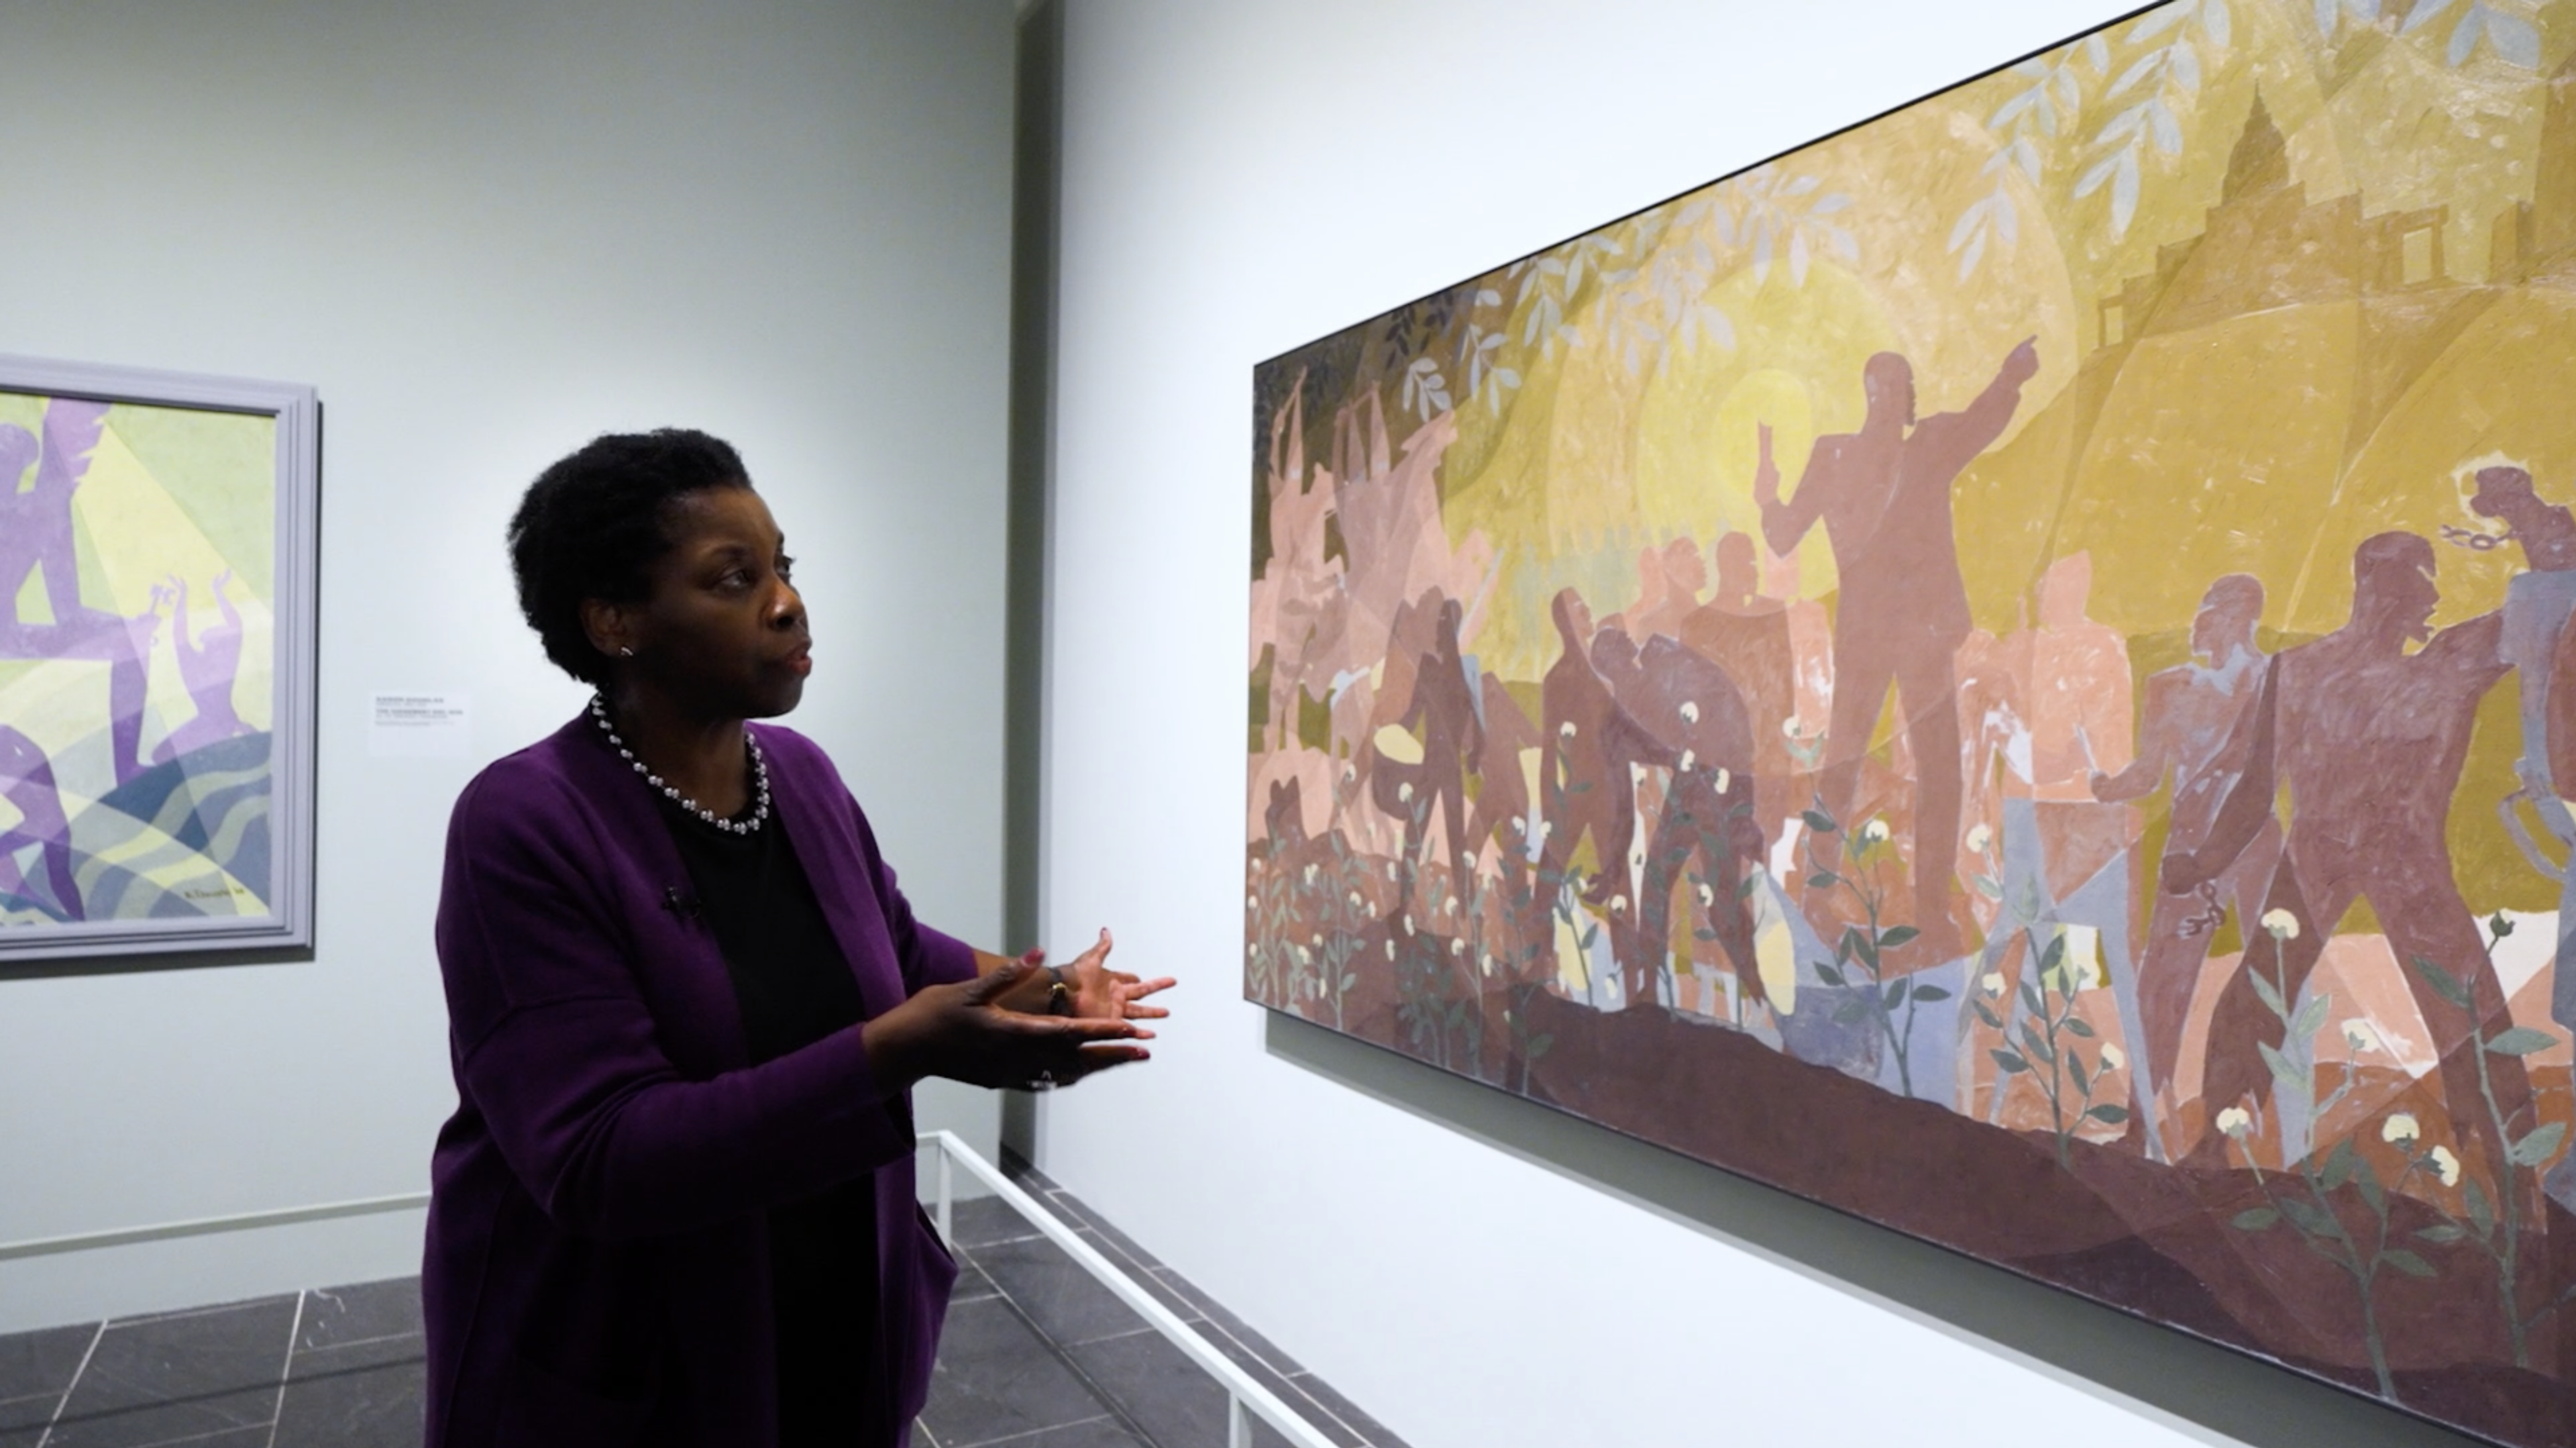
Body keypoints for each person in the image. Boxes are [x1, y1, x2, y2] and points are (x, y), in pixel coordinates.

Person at [423, 429, 1173, 1447]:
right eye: (734, 578)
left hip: (831, 1337)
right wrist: (899, 1050)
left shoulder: (800, 773)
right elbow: (599, 1157)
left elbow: (898, 954)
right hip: (636, 1375)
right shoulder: (526, 820)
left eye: (783, 566)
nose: (786, 601)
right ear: (615, 620)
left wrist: (1038, 994)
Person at [1754, 341, 2039, 958]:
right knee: (1908, 768)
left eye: (1897, 388)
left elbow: (1780, 534)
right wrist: (2009, 377)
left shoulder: (1847, 454)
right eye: (1898, 387)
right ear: (1893, 396)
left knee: (1855, 763)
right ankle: (1923, 912)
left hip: (1883, 634)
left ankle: (1845, 899)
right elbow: (1981, 421)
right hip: (1910, 635)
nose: (1899, 399)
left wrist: (1767, 497)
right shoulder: (1916, 447)